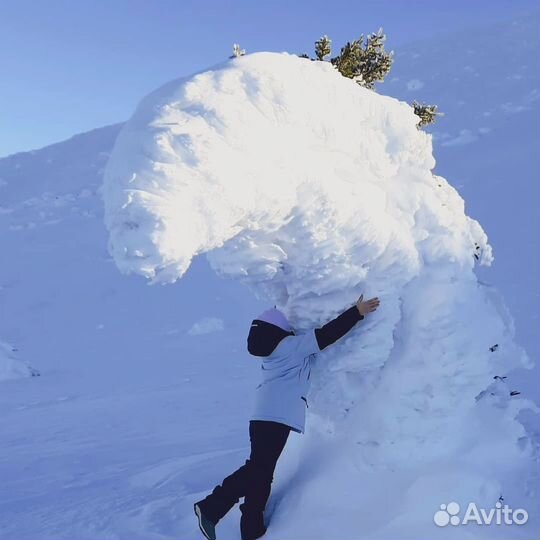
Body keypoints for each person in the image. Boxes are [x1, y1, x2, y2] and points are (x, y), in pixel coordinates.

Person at [194, 294, 380, 540]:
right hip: (275, 418)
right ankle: (210, 507)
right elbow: (326, 335)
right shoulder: (289, 347)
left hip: (265, 415)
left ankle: (252, 528)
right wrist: (355, 312)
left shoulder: (272, 353)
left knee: (261, 472)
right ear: (277, 331)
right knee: (258, 469)